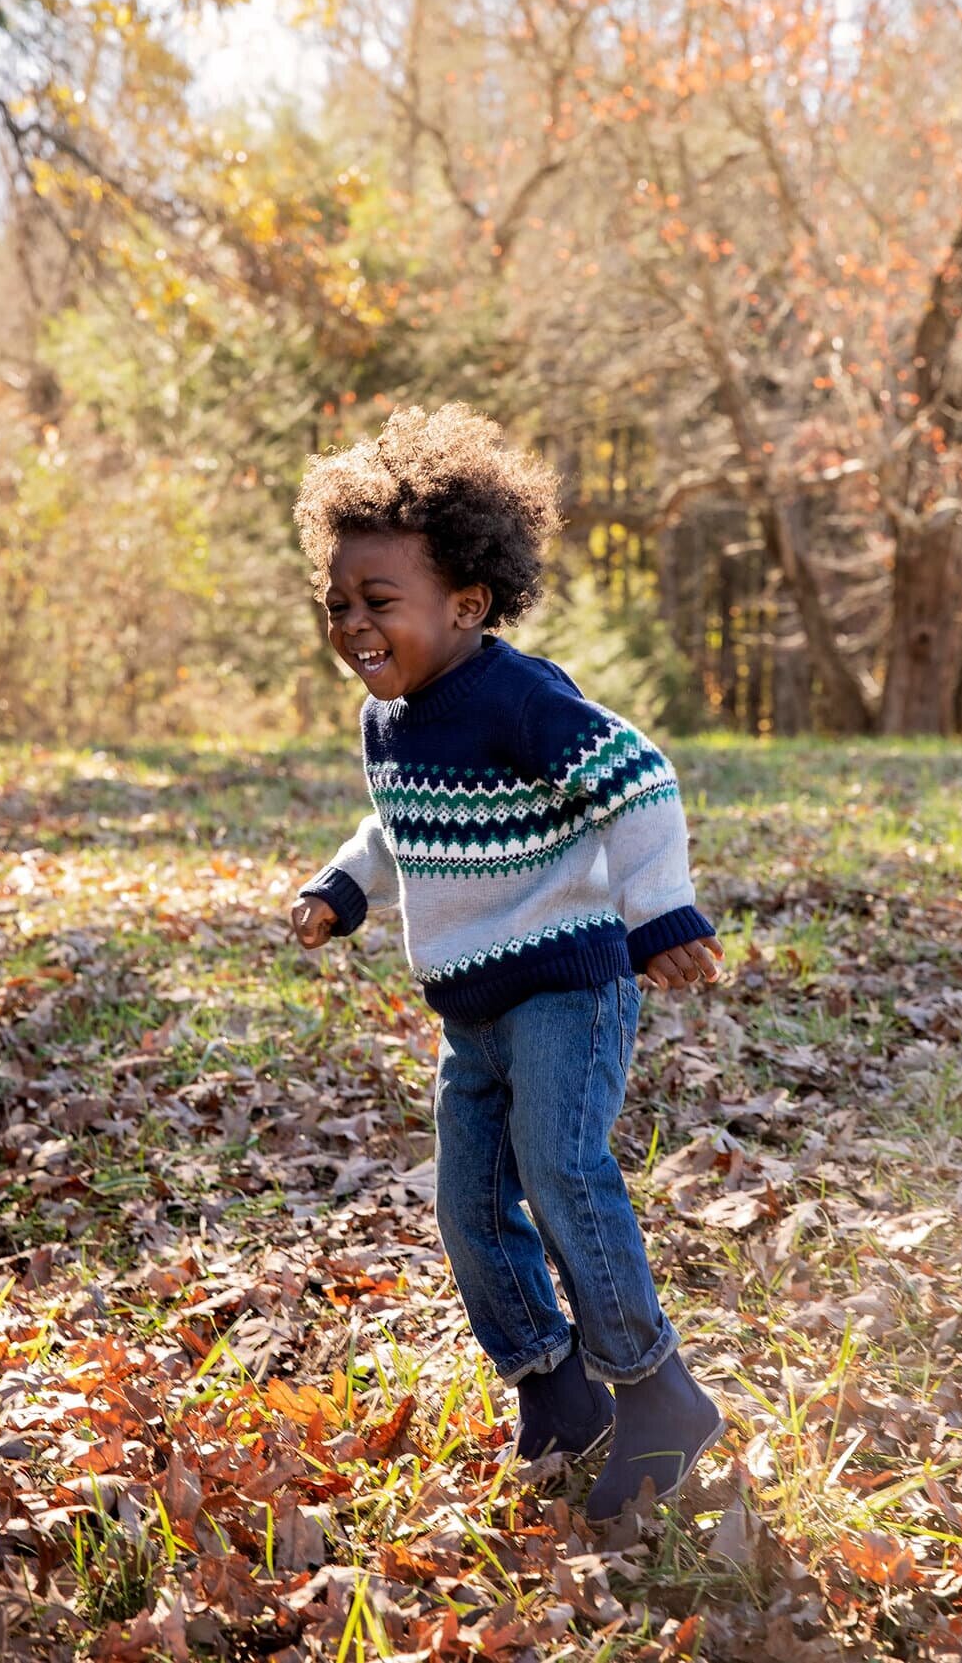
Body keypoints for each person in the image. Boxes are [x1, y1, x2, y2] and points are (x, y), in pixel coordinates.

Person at [289, 403, 726, 1520]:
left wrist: (658, 910)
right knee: (470, 1204)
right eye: (337, 602)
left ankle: (656, 1389)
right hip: (471, 1005)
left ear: (466, 601)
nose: (353, 623)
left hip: (567, 988)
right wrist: (344, 887)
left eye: (378, 601)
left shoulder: (522, 697)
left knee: (562, 1171)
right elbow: (398, 823)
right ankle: (555, 1382)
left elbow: (643, 782)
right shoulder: (388, 721)